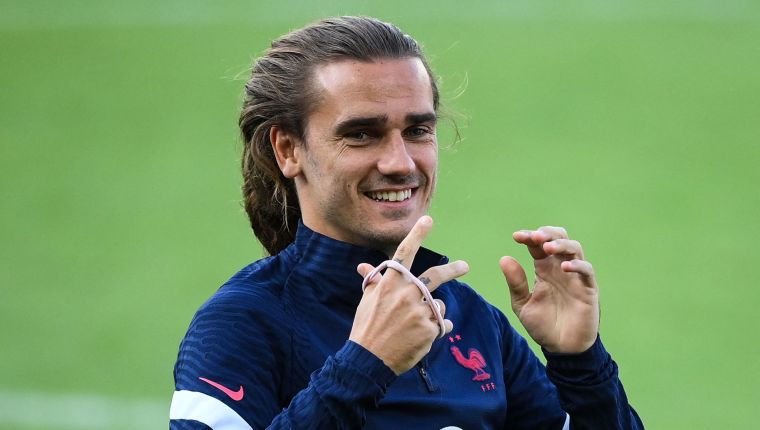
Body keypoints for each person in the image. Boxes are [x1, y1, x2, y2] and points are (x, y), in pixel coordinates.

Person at [169, 16, 644, 429]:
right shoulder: (243, 322)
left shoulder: (473, 319)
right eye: (361, 134)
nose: (400, 163)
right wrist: (365, 364)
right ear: (289, 150)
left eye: (417, 130)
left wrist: (580, 363)